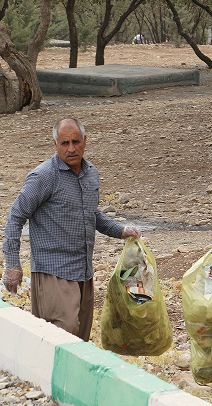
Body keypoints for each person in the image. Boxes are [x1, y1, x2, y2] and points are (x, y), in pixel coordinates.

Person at [1, 118, 141, 342]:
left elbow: (90, 213)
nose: (71, 148)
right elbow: (15, 216)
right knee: (62, 334)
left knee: (80, 341)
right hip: (52, 272)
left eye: (76, 141)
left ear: (85, 141)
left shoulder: (90, 173)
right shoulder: (44, 176)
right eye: (64, 143)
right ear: (54, 144)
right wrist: (12, 264)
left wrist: (121, 230)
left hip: (83, 272)